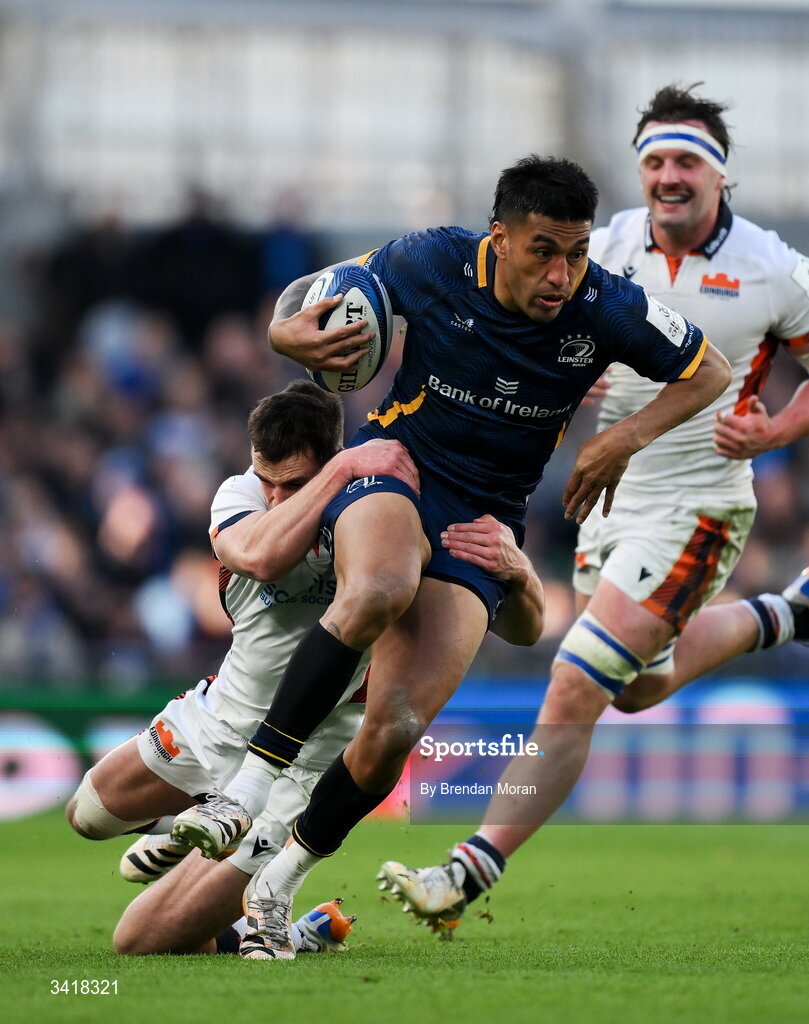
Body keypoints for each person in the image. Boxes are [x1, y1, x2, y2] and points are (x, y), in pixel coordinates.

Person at [169, 153, 732, 960]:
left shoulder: (607, 307)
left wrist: (621, 436)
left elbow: (706, 369)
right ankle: (243, 793)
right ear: (498, 238)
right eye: (543, 249)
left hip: (485, 519)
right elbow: (306, 308)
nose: (561, 273)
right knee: (379, 590)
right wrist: (279, 333)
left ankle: (275, 882)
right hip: (396, 470)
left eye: (575, 252)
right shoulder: (431, 259)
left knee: (395, 727)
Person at [378, 84, 809, 934]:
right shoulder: (597, 249)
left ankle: (465, 872)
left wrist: (776, 428)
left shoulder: (775, 268)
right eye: (653, 161)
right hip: (607, 504)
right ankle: (789, 613)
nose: (668, 176)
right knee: (636, 687)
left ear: (719, 177)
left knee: (574, 685)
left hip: (698, 505)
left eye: (686, 161)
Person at [67, 377, 543, 956]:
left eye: (291, 483)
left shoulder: (382, 518)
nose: (272, 496)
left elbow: (522, 630)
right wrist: (336, 477)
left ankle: (287, 923)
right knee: (85, 816)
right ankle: (191, 825)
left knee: (138, 943)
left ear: (329, 460)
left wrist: (521, 574)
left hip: (302, 760)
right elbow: (261, 557)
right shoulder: (238, 496)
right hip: (218, 720)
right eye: (264, 479)